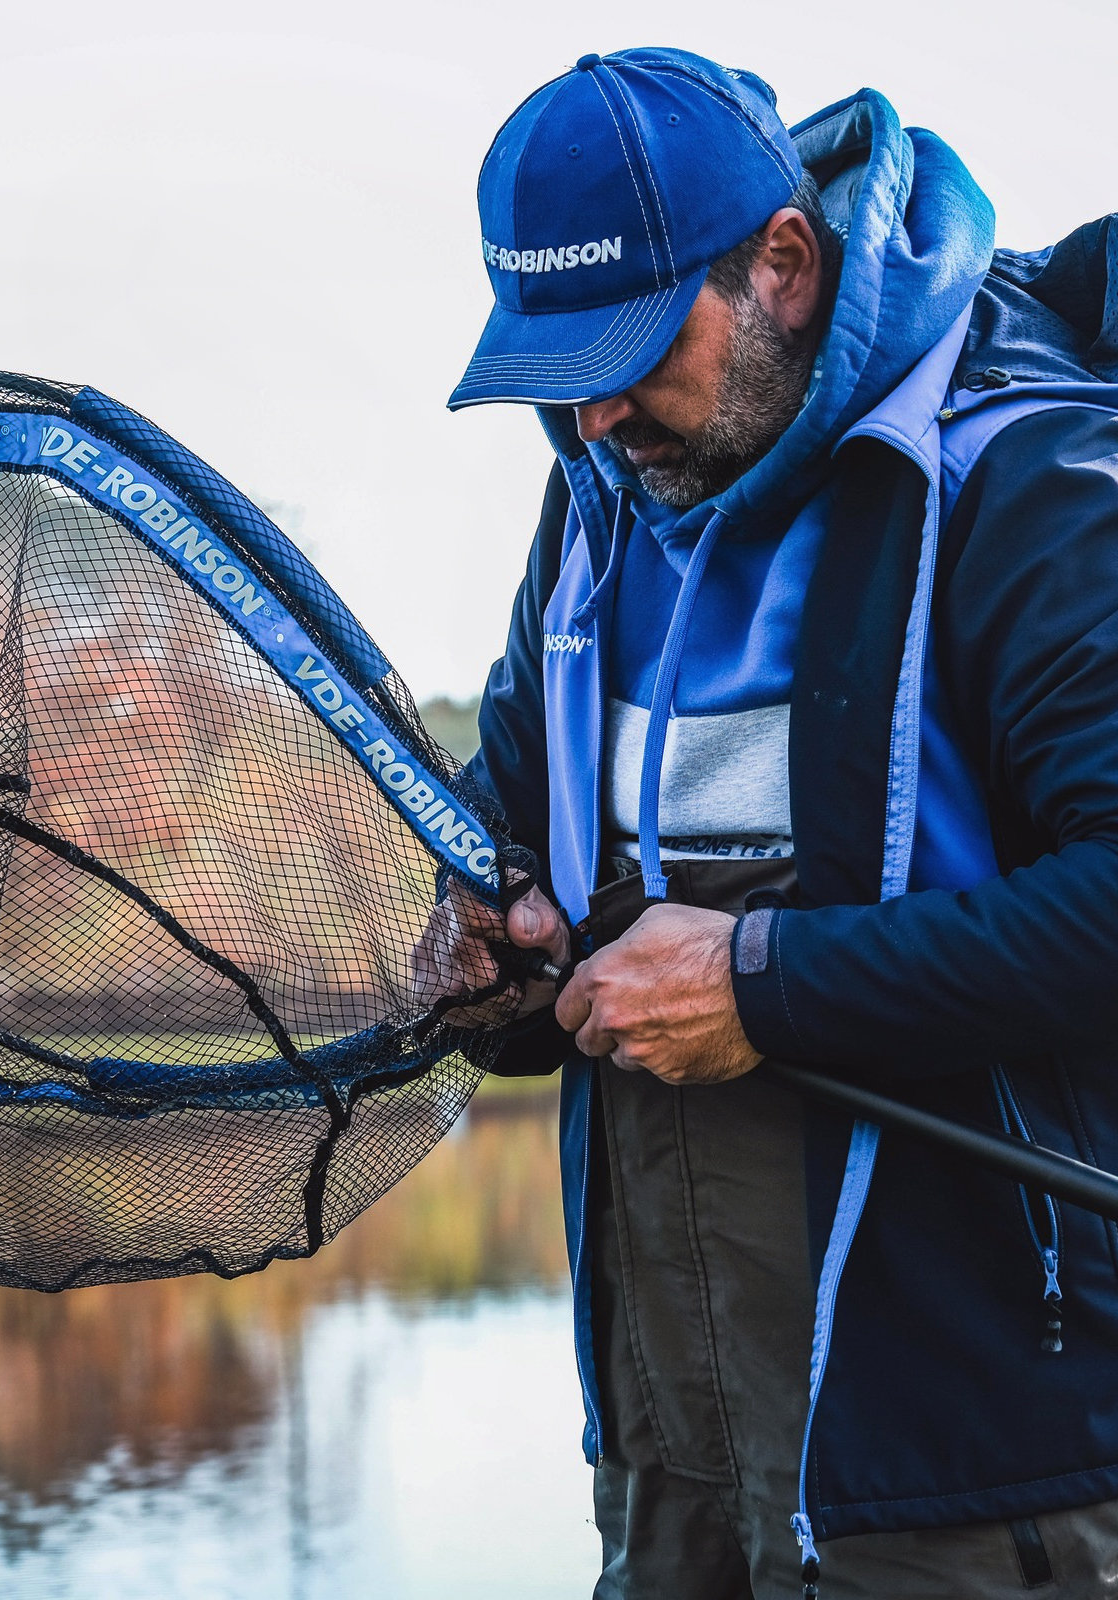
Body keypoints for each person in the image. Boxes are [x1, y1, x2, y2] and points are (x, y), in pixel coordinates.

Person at [420, 45, 1118, 1599]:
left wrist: (762, 989)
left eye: (628, 347)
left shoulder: (1038, 478)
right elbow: (519, 813)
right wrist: (490, 947)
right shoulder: (599, 487)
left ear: (783, 267)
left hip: (972, 1478)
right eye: (552, 361)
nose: (592, 415)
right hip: (673, 1463)